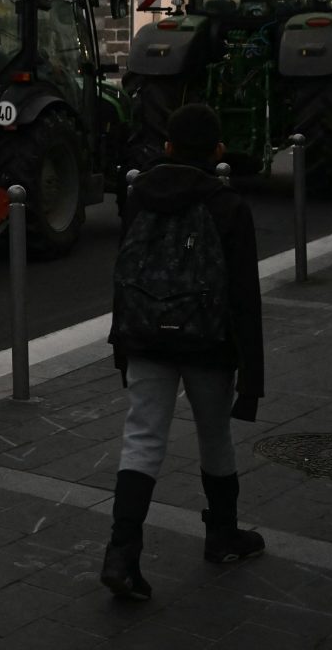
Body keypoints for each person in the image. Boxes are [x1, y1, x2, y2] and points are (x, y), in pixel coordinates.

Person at [102, 102, 265, 601]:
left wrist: (122, 342)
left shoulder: (138, 198)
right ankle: (222, 535)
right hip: (208, 342)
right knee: (215, 437)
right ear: (217, 150)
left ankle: (122, 553)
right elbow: (244, 297)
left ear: (167, 147)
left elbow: (125, 274)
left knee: (143, 438)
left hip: (147, 335)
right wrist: (252, 377)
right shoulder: (228, 206)